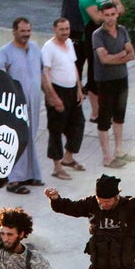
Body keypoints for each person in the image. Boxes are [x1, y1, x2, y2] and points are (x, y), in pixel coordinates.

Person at [0, 17, 45, 195]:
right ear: (14, 31)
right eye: (22, 31)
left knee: (30, 137)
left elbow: (42, 73)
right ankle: (13, 180)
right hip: (15, 104)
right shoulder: (5, 52)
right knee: (16, 139)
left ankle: (29, 174)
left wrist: (52, 96)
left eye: (28, 30)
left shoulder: (35, 48)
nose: (26, 34)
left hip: (34, 101)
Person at [42, 17, 87, 180]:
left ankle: (68, 158)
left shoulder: (69, 43)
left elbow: (73, 65)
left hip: (72, 90)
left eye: (67, 29)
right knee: (56, 129)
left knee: (78, 123)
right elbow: (45, 73)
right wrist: (53, 97)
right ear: (55, 29)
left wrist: (79, 88)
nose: (65, 32)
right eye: (62, 29)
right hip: (57, 90)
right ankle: (57, 167)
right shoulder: (48, 47)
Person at [92, 2, 135, 168]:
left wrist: (115, 57)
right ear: (102, 16)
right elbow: (104, 59)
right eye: (107, 15)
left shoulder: (122, 30)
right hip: (105, 81)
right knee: (104, 119)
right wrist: (122, 54)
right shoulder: (98, 35)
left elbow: (132, 54)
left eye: (113, 14)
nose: (110, 18)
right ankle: (106, 157)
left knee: (119, 116)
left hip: (122, 79)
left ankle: (119, 151)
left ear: (117, 14)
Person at [79, 0, 124, 122]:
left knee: (109, 72)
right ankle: (95, 113)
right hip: (92, 37)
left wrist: (107, 13)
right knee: (94, 74)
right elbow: (97, 18)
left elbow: (121, 7)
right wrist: (112, 12)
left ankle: (107, 108)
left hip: (109, 36)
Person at [55, 0, 88, 80]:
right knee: (72, 61)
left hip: (84, 27)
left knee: (82, 59)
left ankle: (80, 85)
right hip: (71, 28)